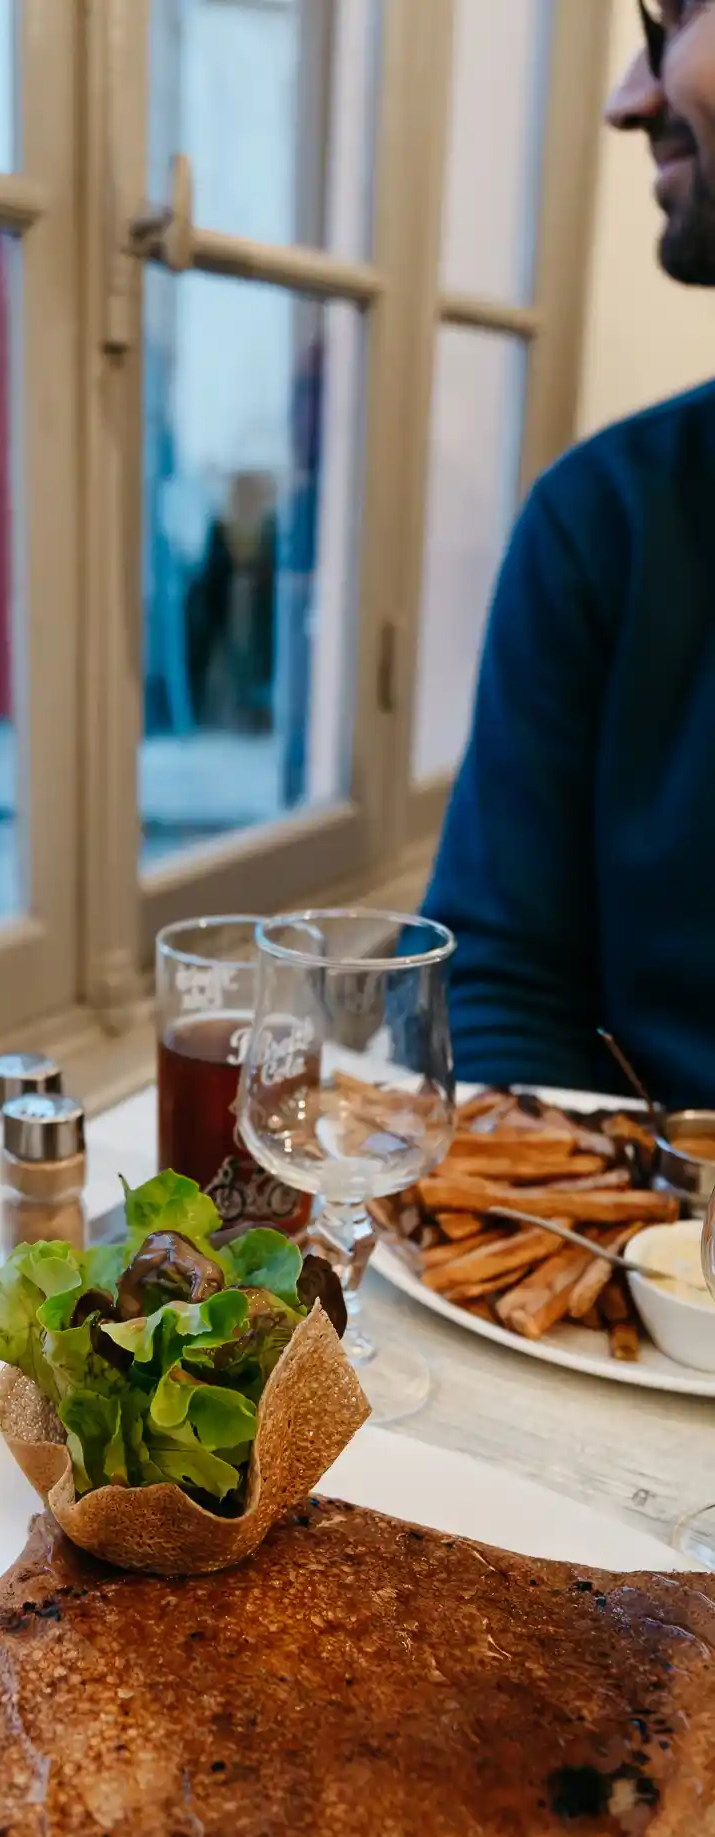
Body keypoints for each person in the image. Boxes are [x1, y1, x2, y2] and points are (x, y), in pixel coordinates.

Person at [423, 1, 715, 1107]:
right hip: (642, 1238)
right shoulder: (606, 519)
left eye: (675, 16)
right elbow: (501, 971)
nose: (624, 99)